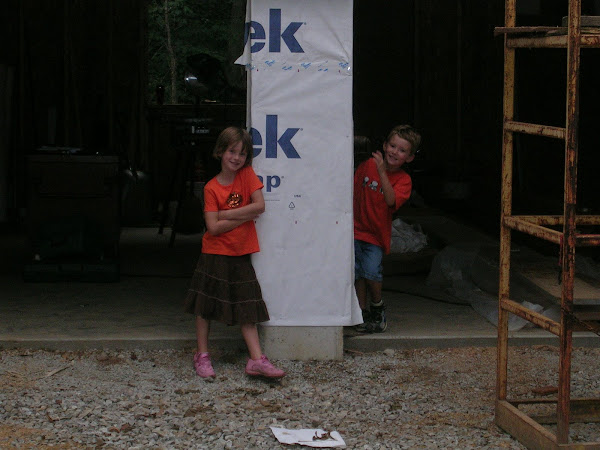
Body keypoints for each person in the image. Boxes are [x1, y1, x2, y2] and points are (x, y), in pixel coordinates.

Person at [184, 126, 286, 379]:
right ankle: (202, 355)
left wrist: (226, 213)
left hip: (240, 253)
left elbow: (259, 206)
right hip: (214, 253)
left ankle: (256, 360)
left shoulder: (247, 175)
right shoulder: (210, 188)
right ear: (220, 151)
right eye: (232, 151)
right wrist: (245, 212)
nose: (236, 158)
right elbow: (213, 227)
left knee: (247, 307)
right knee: (204, 307)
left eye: (242, 153)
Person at [353, 125, 421, 333]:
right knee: (356, 273)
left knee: (372, 271)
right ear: (384, 145)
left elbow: (391, 201)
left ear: (409, 158)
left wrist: (382, 171)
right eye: (392, 146)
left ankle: (377, 306)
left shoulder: (404, 180)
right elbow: (351, 190)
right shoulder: (366, 166)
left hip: (375, 235)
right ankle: (361, 312)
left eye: (402, 150)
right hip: (355, 229)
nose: (394, 152)